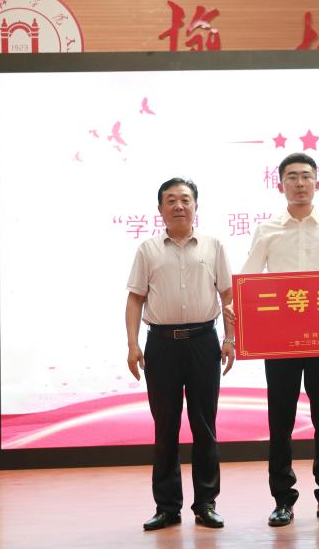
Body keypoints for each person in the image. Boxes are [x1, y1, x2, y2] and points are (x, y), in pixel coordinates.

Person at [229, 152, 319, 527]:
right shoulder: (267, 230)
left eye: (306, 176)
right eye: (291, 177)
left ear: (317, 183)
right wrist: (233, 306)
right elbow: (248, 276)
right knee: (281, 421)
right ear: (280, 185)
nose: (299, 183)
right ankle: (283, 500)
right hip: (280, 341)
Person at [125, 178, 235, 531]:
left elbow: (228, 295)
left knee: (205, 426)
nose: (178, 206)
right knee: (165, 427)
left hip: (204, 342)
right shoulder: (148, 249)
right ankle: (167, 507)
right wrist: (132, 344)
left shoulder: (213, 246)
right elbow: (135, 298)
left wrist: (231, 339)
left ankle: (206, 504)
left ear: (196, 206)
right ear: (160, 209)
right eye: (170, 200)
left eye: (185, 199)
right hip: (162, 345)